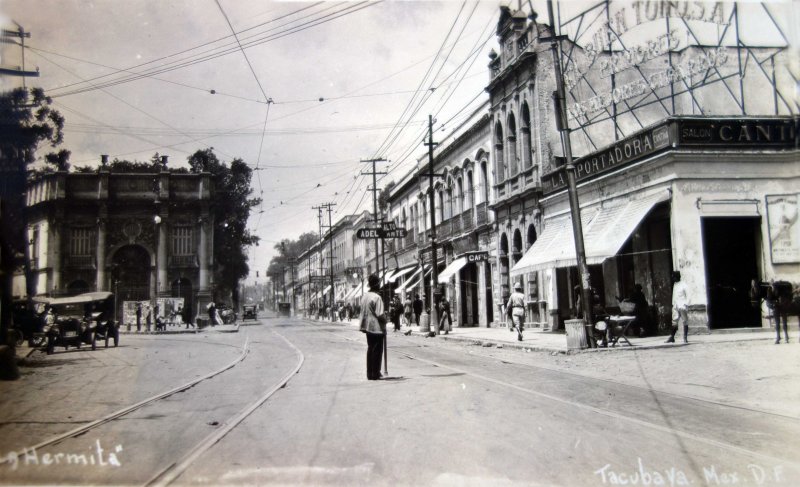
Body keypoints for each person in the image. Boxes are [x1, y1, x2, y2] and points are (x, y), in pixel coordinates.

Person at [359, 274, 386, 381]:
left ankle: (369, 373)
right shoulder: (377, 297)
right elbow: (380, 314)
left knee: (370, 349)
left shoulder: (365, 296)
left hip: (367, 327)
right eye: (379, 283)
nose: (380, 285)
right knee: (377, 350)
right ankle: (375, 373)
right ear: (376, 284)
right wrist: (385, 320)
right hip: (377, 327)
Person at [666, 271, 689, 343]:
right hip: (675, 305)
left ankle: (685, 338)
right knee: (674, 321)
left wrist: (686, 304)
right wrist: (673, 304)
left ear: (676, 277)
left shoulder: (684, 285)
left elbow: (689, 296)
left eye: (673, 277)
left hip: (682, 305)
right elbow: (674, 295)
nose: (672, 278)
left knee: (685, 321)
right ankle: (672, 337)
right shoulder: (675, 284)